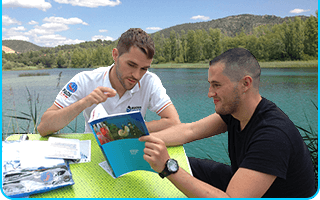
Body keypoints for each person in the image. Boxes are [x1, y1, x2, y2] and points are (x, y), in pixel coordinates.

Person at [140, 48, 316, 198]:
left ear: (245, 83)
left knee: (176, 167)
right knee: (187, 163)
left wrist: (168, 167)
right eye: (210, 85)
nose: (210, 93)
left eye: (216, 85)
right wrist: (136, 141)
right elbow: (190, 131)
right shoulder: (238, 111)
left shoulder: (273, 135)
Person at [38, 28, 180, 136]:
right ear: (115, 55)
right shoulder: (85, 80)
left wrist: (126, 130)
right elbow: (43, 127)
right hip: (93, 151)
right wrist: (84, 102)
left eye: (144, 68)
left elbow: (174, 122)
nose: (137, 76)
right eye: (131, 65)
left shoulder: (150, 81)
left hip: (131, 149)